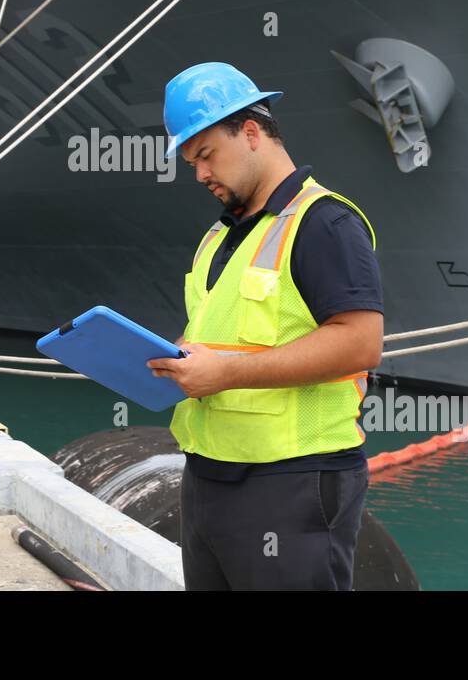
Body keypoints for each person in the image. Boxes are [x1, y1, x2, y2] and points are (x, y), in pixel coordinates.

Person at [147, 62, 384, 590]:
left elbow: (361, 342)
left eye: (206, 155)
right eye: (191, 162)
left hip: (293, 482)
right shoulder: (220, 235)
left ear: (251, 133)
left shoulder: (324, 223)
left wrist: (226, 373)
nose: (200, 174)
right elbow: (228, 332)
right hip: (209, 477)